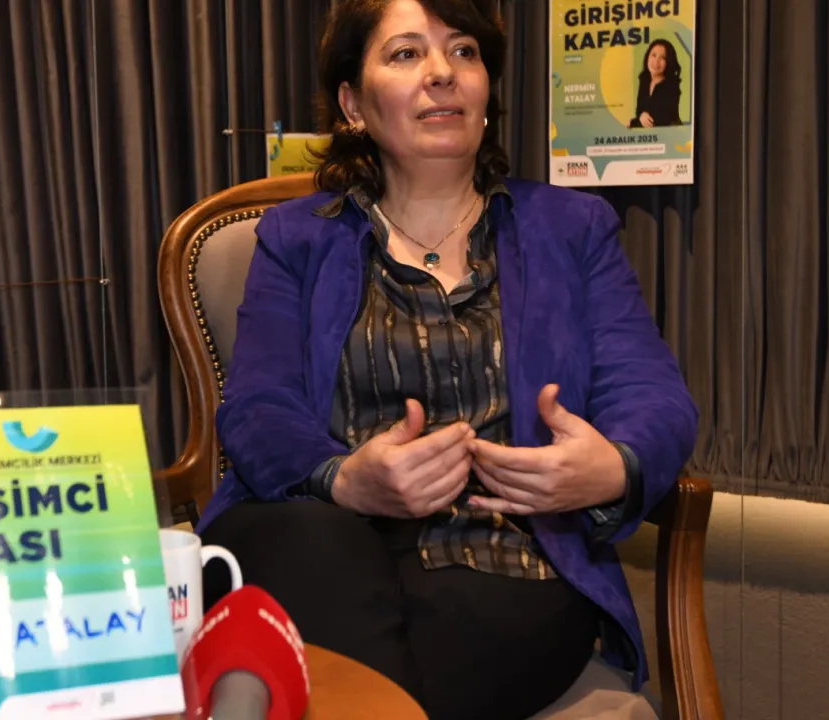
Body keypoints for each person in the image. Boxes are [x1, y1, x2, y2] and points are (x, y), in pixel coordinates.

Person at [196, 1, 696, 718]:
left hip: (503, 557)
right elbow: (257, 407)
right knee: (311, 544)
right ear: (352, 104)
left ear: (487, 87)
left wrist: (611, 468)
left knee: (454, 621)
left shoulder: (571, 228)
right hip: (323, 538)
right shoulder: (296, 238)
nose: (442, 73)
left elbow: (653, 396)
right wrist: (344, 479)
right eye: (406, 54)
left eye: (463, 51)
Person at [627, 38, 682, 129]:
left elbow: (660, 120)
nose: (656, 62)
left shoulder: (671, 86)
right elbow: (640, 112)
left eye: (662, 58)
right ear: (647, 56)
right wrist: (640, 117)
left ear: (668, 62)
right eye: (653, 55)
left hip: (669, 133)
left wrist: (633, 122)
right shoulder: (644, 80)